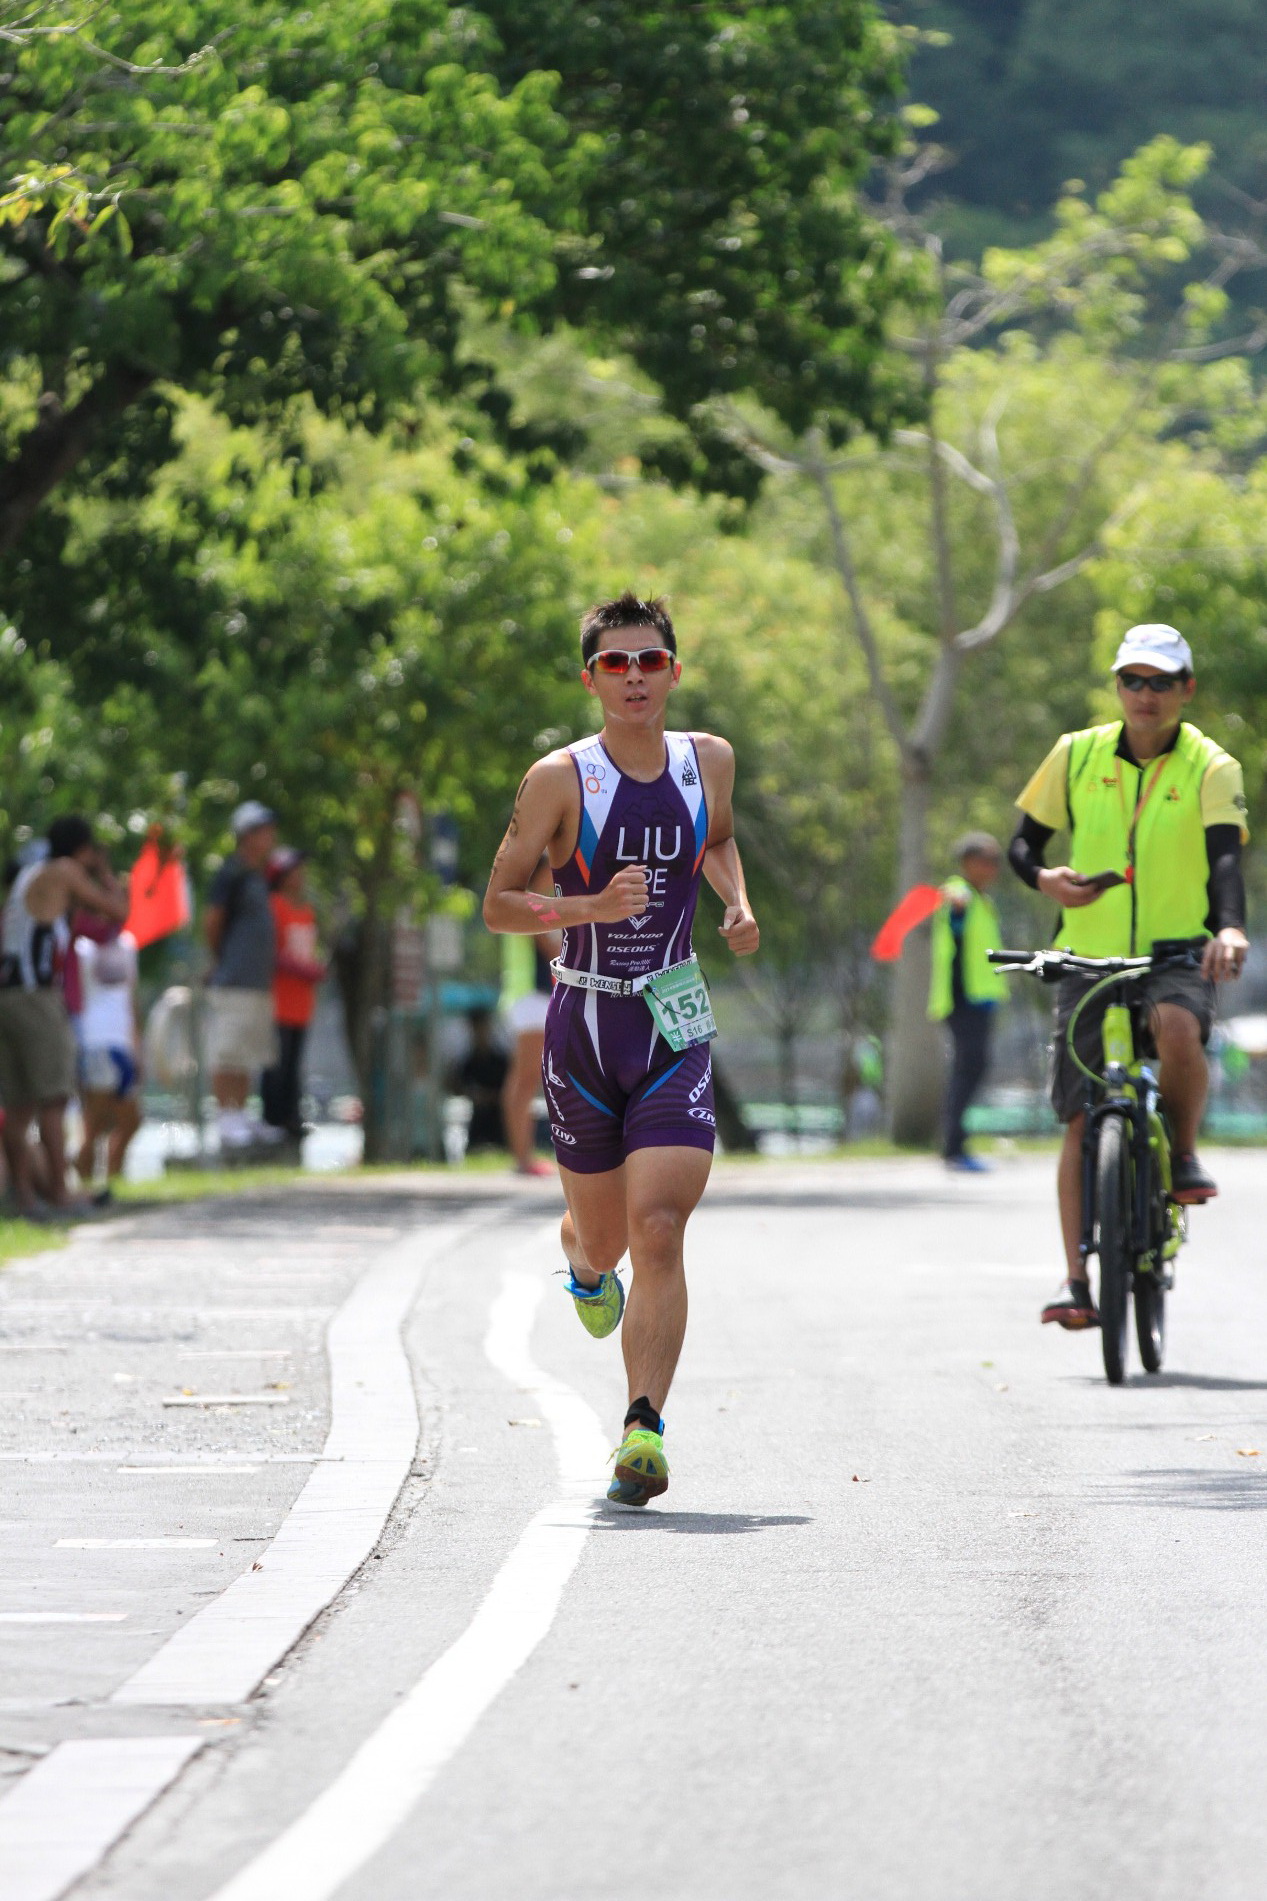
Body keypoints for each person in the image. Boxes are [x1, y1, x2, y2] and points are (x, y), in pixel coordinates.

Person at [483, 591, 760, 1506]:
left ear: (674, 671)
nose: (634, 678)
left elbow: (715, 839)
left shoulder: (707, 761)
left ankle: (643, 1427)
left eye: (649, 661)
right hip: (585, 1020)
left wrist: (734, 899)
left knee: (661, 1229)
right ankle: (579, 1258)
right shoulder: (560, 779)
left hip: (673, 1019)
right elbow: (499, 903)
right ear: (591, 678)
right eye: (615, 664)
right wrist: (585, 909)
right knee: (606, 1238)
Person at [1009, 623, 1249, 1329]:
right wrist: (1043, 879)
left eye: (1161, 681)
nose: (1145, 695)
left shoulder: (1211, 765)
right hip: (1086, 952)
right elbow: (1023, 842)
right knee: (1081, 1119)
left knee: (1177, 1026)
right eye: (1132, 680)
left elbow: (1226, 860)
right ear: (1117, 686)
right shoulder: (1074, 754)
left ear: (1186, 689)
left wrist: (1228, 928)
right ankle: (1076, 1279)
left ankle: (1180, 1152)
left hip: (1177, 950)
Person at [0, 818, 129, 1215]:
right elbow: (118, 912)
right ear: (83, 850)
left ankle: (24, 1197)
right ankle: (59, 1191)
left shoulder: (33, 878)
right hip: (37, 998)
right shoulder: (65, 872)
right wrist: (106, 873)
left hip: (9, 996)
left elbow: (98, 927)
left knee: (19, 1108)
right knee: (53, 1100)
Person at [928, 832, 1008, 1173]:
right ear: (968, 863)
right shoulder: (959, 893)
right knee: (967, 1070)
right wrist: (955, 902)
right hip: (963, 999)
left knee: (972, 1069)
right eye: (986, 860)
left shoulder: (983, 899)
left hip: (981, 998)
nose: (992, 868)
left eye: (996, 861)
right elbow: (954, 921)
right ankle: (952, 1146)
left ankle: (954, 1142)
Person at [204, 802, 279, 1150]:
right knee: (227, 1050)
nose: (271, 836)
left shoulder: (258, 875)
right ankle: (225, 1116)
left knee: (247, 1052)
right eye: (264, 829)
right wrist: (224, 959)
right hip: (232, 979)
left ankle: (241, 1114)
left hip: (257, 982)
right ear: (247, 835)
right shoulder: (230, 873)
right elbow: (213, 922)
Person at [499, 855, 560, 1177]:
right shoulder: (532, 905)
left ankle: (525, 1156)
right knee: (525, 1079)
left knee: (527, 1079)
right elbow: (551, 947)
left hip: (533, 997)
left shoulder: (533, 903)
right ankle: (522, 1158)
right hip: (529, 996)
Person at [260, 847, 325, 1139]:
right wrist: (302, 969)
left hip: (302, 1003)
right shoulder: (274, 906)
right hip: (278, 1002)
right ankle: (273, 1118)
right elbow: (272, 952)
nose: (300, 877)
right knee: (277, 1063)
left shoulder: (307, 911)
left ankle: (292, 1117)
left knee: (294, 1063)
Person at [74, 928, 142, 1199]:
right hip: (93, 1040)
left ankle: (113, 1179)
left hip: (123, 1042)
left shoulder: (128, 943)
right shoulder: (78, 946)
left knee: (131, 1120)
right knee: (94, 1123)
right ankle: (86, 1186)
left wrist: (138, 1047)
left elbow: (130, 998)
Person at [454, 1008, 510, 1151]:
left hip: (499, 1122)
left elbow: (509, 1089)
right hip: (477, 1121)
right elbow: (458, 1086)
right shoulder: (469, 1061)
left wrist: (489, 1096)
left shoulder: (500, 1061)